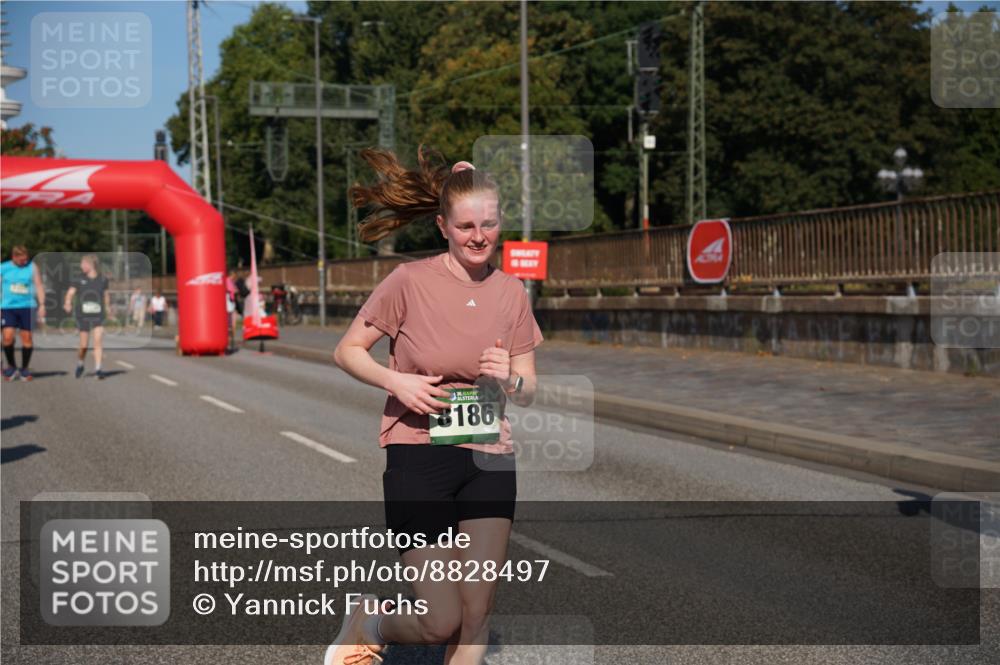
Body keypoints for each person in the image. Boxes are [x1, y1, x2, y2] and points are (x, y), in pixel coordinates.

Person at [331, 150, 542, 665]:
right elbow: (346, 350)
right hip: (417, 454)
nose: (478, 236)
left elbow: (529, 385)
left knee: (476, 617)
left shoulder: (511, 291)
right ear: (442, 225)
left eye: (489, 224)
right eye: (466, 225)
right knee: (439, 620)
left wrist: (507, 376)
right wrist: (397, 383)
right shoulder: (410, 281)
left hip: (488, 456)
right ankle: (370, 622)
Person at [1, 245, 46, 381]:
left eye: (26, 259)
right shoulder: (3, 267)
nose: (24, 262)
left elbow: (38, 285)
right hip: (8, 307)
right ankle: (11, 366)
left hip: (27, 307)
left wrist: (42, 305)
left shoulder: (32, 267)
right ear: (14, 257)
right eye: (21, 260)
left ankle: (24, 368)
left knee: (27, 338)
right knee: (8, 337)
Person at [63, 254, 111, 379]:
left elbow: (106, 295)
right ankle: (80, 363)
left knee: (98, 341)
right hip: (82, 315)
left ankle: (98, 369)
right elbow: (70, 293)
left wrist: (108, 308)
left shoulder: (103, 280)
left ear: (91, 265)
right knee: (84, 345)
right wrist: (67, 302)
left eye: (83, 263)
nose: (81, 266)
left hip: (98, 315)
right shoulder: (78, 279)